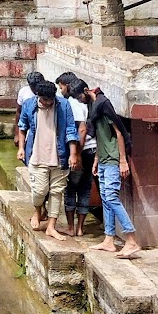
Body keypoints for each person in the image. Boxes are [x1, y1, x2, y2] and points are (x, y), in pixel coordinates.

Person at [17, 80, 79, 242]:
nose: (49, 103)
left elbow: (71, 130)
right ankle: (38, 211)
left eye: (51, 99)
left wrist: (73, 154)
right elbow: (22, 126)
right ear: (39, 96)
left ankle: (51, 226)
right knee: (39, 191)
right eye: (45, 100)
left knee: (57, 192)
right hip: (37, 156)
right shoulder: (30, 104)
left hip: (60, 156)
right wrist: (21, 148)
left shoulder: (63, 105)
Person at [87, 89, 140, 258]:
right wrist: (96, 159)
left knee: (111, 197)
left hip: (112, 161)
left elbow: (119, 133)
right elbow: (100, 138)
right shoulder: (94, 110)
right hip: (102, 159)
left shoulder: (104, 108)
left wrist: (123, 160)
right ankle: (109, 239)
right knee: (105, 198)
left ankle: (131, 240)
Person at [56, 74, 93, 237]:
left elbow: (82, 129)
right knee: (85, 188)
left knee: (71, 188)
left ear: (67, 86)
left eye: (61, 87)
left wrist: (76, 154)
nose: (60, 90)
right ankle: (80, 228)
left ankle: (72, 227)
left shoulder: (72, 103)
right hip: (91, 149)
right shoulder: (86, 102)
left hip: (81, 151)